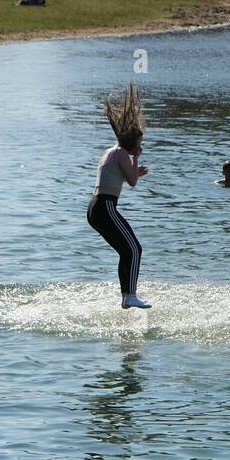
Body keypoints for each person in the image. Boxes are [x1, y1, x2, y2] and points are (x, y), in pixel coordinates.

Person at [87, 85, 151, 309]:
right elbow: (132, 182)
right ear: (133, 143)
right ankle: (130, 295)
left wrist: (133, 170)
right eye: (139, 145)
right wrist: (135, 162)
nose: (139, 148)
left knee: (126, 250)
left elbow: (115, 178)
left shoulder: (110, 151)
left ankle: (127, 296)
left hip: (95, 208)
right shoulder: (123, 154)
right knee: (134, 249)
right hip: (105, 208)